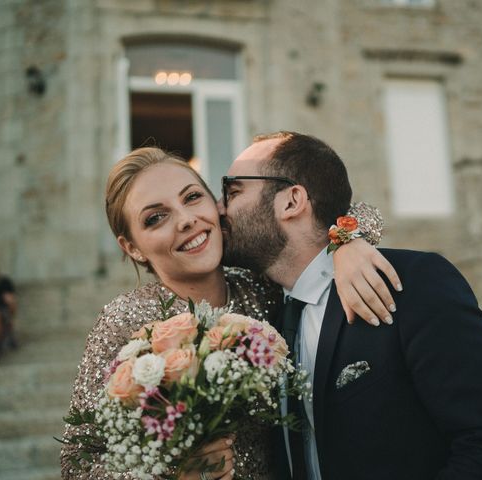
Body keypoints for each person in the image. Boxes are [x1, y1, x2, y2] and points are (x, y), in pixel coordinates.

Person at [60, 147, 398, 480]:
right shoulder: (127, 320)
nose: (186, 220)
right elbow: (78, 461)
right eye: (156, 218)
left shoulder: (260, 285)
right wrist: (172, 473)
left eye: (192, 197)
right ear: (132, 247)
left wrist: (346, 243)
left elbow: (357, 211)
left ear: (216, 204)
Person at [218, 131, 482, 479]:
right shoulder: (261, 317)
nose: (220, 209)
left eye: (233, 192)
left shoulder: (413, 284)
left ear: (291, 201)